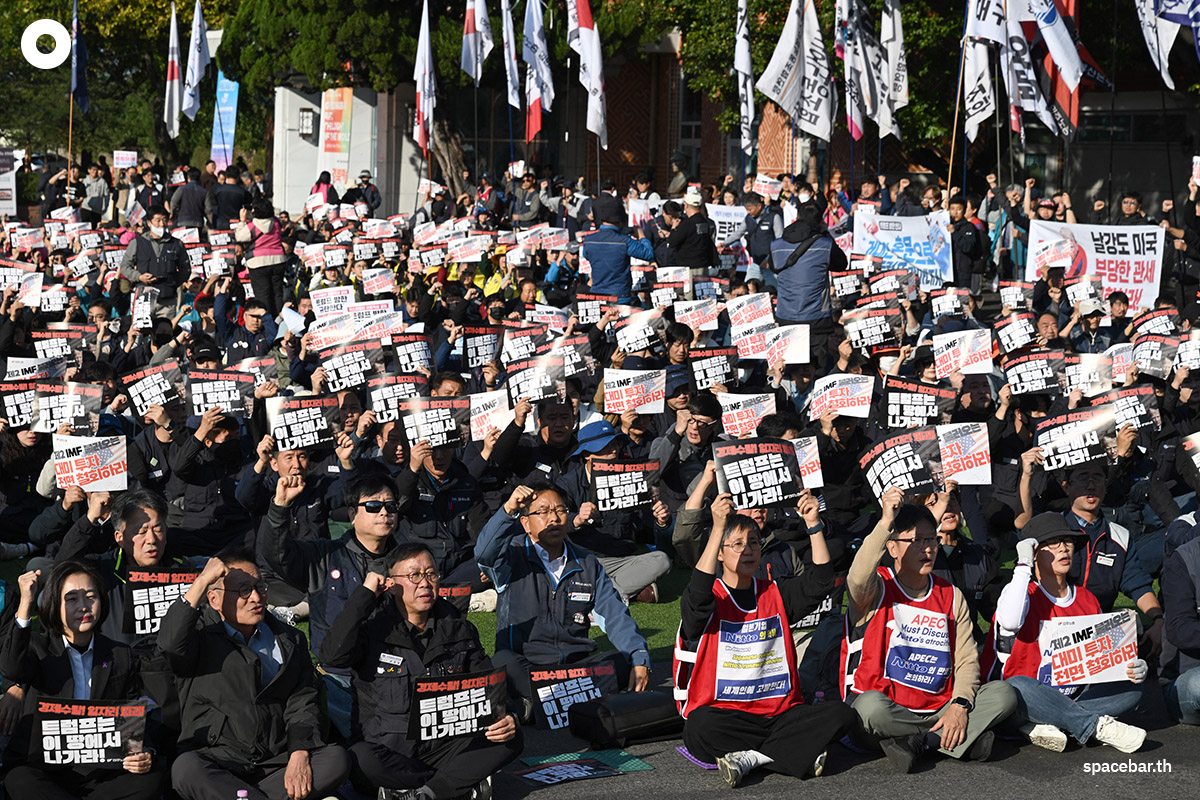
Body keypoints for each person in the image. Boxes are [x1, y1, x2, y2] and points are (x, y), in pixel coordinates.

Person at [674, 495, 853, 787]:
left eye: (754, 543)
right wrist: (717, 529)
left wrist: (813, 524)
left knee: (840, 714)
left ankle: (753, 758)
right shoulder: (711, 598)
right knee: (699, 727)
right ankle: (793, 753)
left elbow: (821, 581)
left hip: (780, 712)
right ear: (720, 553)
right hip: (727, 715)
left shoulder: (775, 592)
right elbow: (697, 594)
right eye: (737, 544)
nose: (748, 550)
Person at [320, 543, 523, 799]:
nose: (425, 583)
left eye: (431, 574)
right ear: (392, 583)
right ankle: (457, 785)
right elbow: (332, 655)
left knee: (511, 738)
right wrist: (365, 594)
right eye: (414, 575)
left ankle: (424, 793)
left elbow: (488, 684)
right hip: (391, 751)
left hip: (448, 746)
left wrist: (508, 716)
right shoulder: (371, 628)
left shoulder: (457, 626)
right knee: (361, 759)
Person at [842, 488, 1017, 772]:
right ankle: (954, 740)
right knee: (868, 707)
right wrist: (886, 521)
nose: (928, 549)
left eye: (931, 540)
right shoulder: (877, 589)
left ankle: (922, 743)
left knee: (1004, 694)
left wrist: (960, 706)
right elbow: (858, 578)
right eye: (916, 540)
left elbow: (966, 660)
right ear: (892, 548)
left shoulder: (951, 594)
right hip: (888, 709)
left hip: (940, 708)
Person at [158, 547, 350, 800]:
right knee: (186, 769)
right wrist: (202, 581)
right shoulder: (199, 637)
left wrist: (299, 753)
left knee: (336, 759)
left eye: (260, 587)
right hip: (219, 759)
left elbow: (302, 700)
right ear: (214, 599)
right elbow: (170, 643)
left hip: (277, 761)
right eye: (243, 591)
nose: (256, 598)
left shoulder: (289, 639)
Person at [476, 483, 652, 711]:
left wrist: (639, 658)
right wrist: (508, 510)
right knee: (503, 662)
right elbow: (484, 554)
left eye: (560, 510)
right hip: (528, 665)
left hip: (575, 667)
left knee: (623, 661)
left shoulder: (587, 563)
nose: (554, 518)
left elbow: (615, 616)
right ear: (525, 523)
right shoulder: (511, 557)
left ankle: (540, 704)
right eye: (543, 511)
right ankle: (575, 700)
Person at [982, 513, 1148, 753]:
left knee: (1132, 689)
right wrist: (1023, 565)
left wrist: (1129, 668)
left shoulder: (1087, 599)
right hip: (1020, 702)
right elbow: (1010, 620)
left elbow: (1102, 661)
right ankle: (1093, 726)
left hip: (1072, 698)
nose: (1063, 548)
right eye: (1052, 543)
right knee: (1017, 687)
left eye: (1067, 541)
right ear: (1033, 552)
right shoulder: (1019, 593)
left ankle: (1054, 722)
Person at [2, 560, 164, 800]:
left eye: (90, 597)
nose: (83, 607)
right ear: (54, 604)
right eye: (72, 599)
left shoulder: (120, 654)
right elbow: (12, 669)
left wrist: (144, 753)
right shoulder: (39, 647)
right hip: (45, 768)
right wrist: (25, 603)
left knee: (151, 779)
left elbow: (132, 712)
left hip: (102, 772)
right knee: (20, 780)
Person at [770, 202, 847, 369]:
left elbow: (773, 266)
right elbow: (841, 264)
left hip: (786, 316)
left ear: (797, 218)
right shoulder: (825, 244)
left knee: (790, 367)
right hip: (816, 318)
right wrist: (825, 232)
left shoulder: (776, 245)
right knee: (817, 369)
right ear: (820, 222)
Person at [117, 205, 189, 314]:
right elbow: (125, 267)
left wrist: (172, 282)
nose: (162, 224)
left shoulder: (176, 244)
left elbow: (185, 269)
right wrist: (139, 277)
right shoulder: (137, 243)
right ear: (149, 223)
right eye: (158, 220)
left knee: (166, 325)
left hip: (167, 301)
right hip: (143, 299)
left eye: (164, 220)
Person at [581, 200, 656, 304]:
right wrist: (641, 235)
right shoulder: (624, 241)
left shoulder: (588, 240)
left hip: (597, 295)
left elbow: (586, 255)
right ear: (620, 220)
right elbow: (648, 254)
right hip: (620, 296)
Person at [236, 199, 289, 316]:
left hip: (258, 262)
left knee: (262, 295)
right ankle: (280, 319)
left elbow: (239, 237)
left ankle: (267, 321)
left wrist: (242, 221)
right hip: (278, 260)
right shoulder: (276, 222)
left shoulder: (252, 227)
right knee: (277, 294)